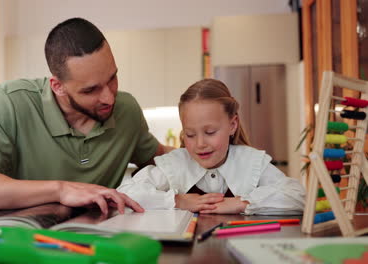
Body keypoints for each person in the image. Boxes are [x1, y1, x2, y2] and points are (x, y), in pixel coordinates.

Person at [0, 18, 173, 215]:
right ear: (57, 86)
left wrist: (205, 143)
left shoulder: (127, 110)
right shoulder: (10, 102)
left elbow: (167, 162)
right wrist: (60, 190)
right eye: (90, 90)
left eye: (112, 78)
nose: (109, 98)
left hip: (98, 244)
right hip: (19, 243)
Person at [117, 79, 305, 215]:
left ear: (233, 125)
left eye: (210, 132)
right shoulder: (175, 164)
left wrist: (242, 203)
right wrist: (177, 200)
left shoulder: (251, 162)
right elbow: (125, 193)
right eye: (190, 135)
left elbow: (298, 196)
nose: (200, 144)